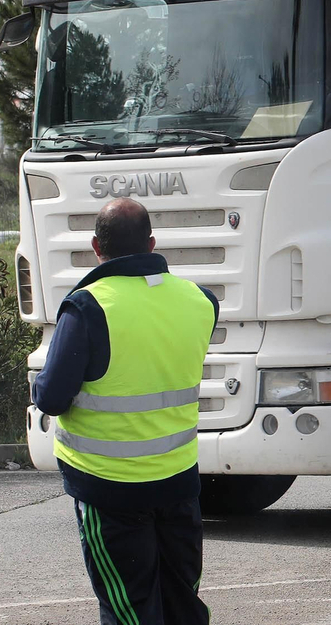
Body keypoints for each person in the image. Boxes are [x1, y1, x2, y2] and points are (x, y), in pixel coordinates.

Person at [32, 198, 219, 624]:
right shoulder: (200, 300)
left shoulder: (87, 307)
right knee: (182, 603)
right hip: (178, 482)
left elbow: (53, 397)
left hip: (109, 487)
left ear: (96, 248)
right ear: (152, 243)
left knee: (129, 609)